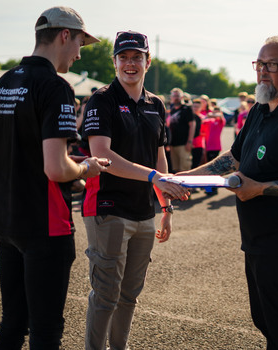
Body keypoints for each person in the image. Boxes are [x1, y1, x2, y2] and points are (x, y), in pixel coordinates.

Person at [180, 36, 278, 349]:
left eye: (273, 65)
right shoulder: (261, 109)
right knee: (266, 319)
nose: (264, 71)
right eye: (260, 64)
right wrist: (187, 177)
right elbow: (234, 158)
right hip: (261, 238)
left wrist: (258, 189)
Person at [0, 6, 109, 350]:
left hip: (4, 220)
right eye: (81, 42)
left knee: (12, 322)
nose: (80, 53)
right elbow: (56, 169)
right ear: (64, 35)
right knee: (45, 330)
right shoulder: (55, 87)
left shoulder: (3, 82)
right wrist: (85, 168)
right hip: (44, 225)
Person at [81, 30, 189, 350]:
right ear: (114, 62)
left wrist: (166, 209)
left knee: (129, 295)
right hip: (108, 208)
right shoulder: (102, 99)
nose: (131, 64)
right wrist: (155, 177)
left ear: (148, 61)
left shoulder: (157, 104)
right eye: (124, 57)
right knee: (105, 295)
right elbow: (103, 157)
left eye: (137, 57)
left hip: (144, 212)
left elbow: (160, 156)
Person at [167, 87, 195, 173]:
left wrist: (189, 141)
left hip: (184, 144)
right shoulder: (171, 110)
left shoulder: (186, 109)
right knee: (175, 170)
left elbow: (192, 125)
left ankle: (187, 187)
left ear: (182, 97)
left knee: (184, 169)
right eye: (174, 96)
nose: (176, 98)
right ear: (171, 98)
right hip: (173, 144)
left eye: (178, 96)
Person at [191, 99, 205, 169]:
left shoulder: (203, 118)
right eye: (194, 106)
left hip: (199, 144)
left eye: (197, 107)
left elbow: (205, 133)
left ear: (201, 108)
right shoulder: (189, 118)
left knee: (196, 165)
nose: (195, 108)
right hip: (189, 144)